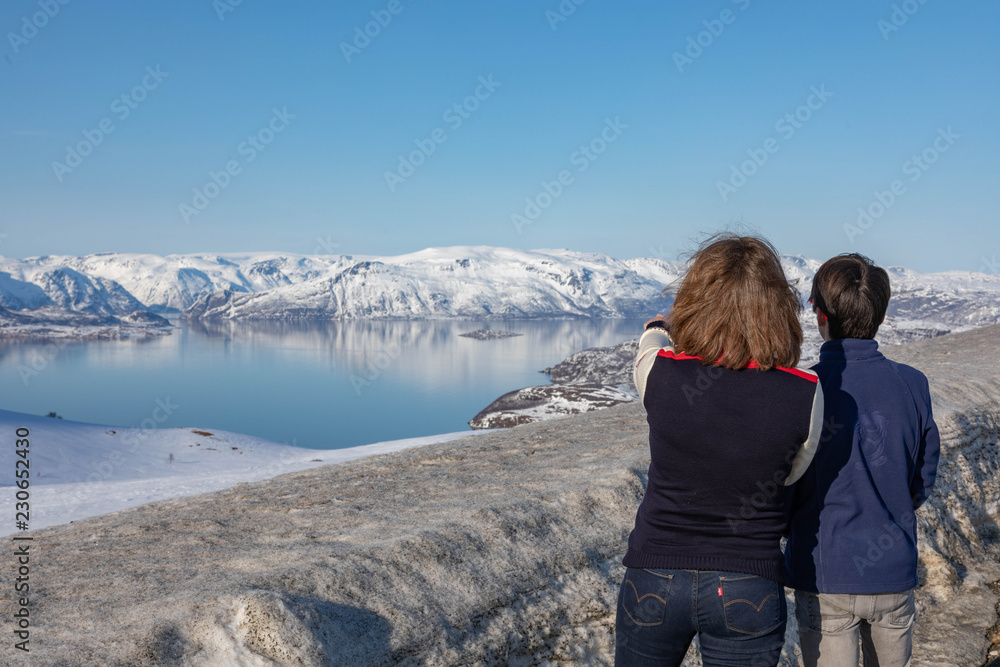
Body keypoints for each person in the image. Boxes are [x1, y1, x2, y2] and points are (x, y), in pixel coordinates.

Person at [615, 234, 825, 667]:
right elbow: (789, 473)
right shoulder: (805, 394)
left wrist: (658, 328)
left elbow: (649, 348)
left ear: (694, 302)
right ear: (778, 310)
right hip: (748, 583)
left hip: (653, 575)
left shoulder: (661, 375)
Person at [784, 253, 941, 667]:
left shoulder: (806, 389)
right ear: (881, 314)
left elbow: (784, 484)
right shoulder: (912, 385)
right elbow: (922, 478)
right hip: (892, 571)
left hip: (824, 572)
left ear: (820, 315)